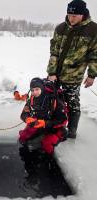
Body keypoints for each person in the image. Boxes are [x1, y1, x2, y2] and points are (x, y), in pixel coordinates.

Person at [47, 0, 97, 138]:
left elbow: (95, 55)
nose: (71, 18)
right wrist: (51, 72)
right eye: (69, 14)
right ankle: (54, 126)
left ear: (82, 14)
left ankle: (72, 131)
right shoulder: (60, 28)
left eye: (74, 15)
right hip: (55, 74)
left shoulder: (93, 30)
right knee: (52, 100)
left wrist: (92, 75)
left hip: (74, 75)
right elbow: (54, 52)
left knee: (72, 102)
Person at [19, 78, 67, 155]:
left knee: (46, 145)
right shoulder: (32, 98)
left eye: (37, 89)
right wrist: (27, 118)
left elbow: (63, 120)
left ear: (42, 88)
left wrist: (45, 123)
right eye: (32, 90)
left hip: (54, 127)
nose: (34, 92)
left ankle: (48, 160)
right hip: (38, 124)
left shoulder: (53, 100)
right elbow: (23, 113)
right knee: (23, 138)